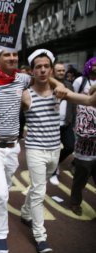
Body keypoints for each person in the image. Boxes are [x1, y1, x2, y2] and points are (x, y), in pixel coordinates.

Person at [0, 49, 66, 253]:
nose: (12, 58)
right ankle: (0, 235)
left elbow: (44, 77)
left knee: (5, 188)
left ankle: (10, 212)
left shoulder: (22, 79)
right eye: (6, 55)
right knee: (0, 193)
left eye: (14, 55)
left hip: (12, 148)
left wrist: (60, 84)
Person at [19, 49, 96, 253]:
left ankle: (26, 212)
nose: (42, 70)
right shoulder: (25, 94)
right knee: (38, 191)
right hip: (35, 149)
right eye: (38, 67)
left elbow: (89, 101)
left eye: (46, 66)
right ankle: (40, 236)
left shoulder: (59, 92)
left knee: (38, 187)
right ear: (32, 71)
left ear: (51, 69)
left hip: (55, 150)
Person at [70, 57, 96, 216]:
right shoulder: (85, 107)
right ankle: (75, 202)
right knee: (80, 182)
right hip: (85, 154)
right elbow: (81, 131)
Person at [49, 62, 76, 185]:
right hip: (52, 125)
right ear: (53, 72)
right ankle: (53, 171)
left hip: (67, 123)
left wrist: (73, 121)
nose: (61, 72)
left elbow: (73, 103)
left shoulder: (69, 85)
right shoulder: (48, 85)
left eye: (62, 70)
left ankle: (56, 163)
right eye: (58, 70)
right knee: (53, 149)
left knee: (70, 146)